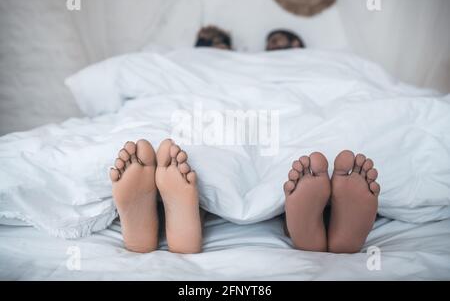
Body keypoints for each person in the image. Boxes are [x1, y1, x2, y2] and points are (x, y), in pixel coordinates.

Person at [109, 27, 380, 254]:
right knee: (210, 162)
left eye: (276, 41)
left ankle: (167, 221)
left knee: (204, 159)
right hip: (214, 93)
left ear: (296, 44)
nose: (270, 45)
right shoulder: (190, 61)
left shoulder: (310, 61)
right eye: (206, 42)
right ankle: (308, 222)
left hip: (282, 94)